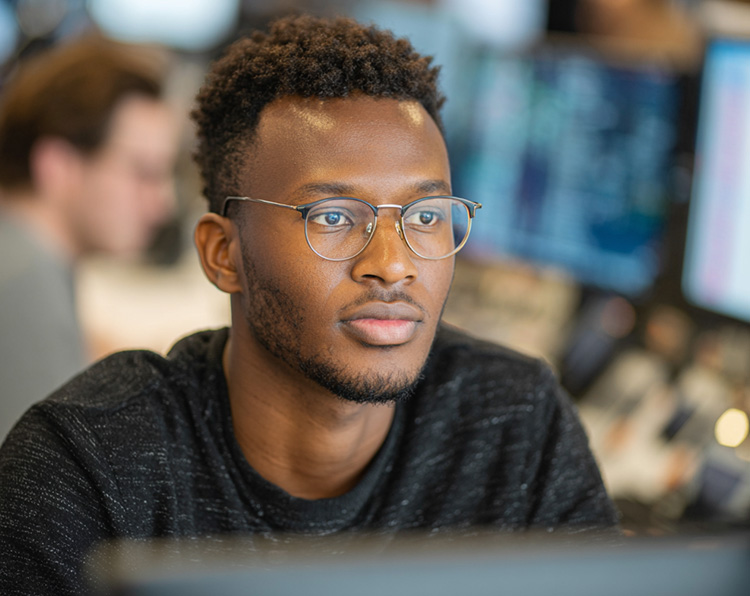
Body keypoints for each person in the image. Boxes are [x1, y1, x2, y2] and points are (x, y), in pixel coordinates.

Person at [0, 15, 618, 595]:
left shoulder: (517, 423)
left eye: (426, 215)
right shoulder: (82, 469)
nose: (394, 263)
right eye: (333, 216)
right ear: (223, 254)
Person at [0, 35, 178, 439]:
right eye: (143, 173)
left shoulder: (21, 256)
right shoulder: (25, 281)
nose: (163, 204)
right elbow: (38, 486)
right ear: (57, 165)